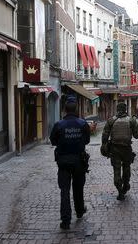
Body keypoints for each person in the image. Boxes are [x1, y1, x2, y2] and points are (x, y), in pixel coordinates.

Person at [50, 96, 91, 230]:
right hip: (79, 161)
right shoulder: (83, 123)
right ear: (76, 108)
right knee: (78, 188)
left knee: (64, 191)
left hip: (63, 162)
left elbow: (53, 141)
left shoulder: (59, 125)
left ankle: (65, 221)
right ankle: (79, 211)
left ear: (65, 109)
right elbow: (87, 141)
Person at [101, 101, 138, 200]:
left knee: (116, 171)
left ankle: (120, 191)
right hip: (127, 149)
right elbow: (137, 136)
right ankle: (125, 185)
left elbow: (105, 136)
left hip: (115, 150)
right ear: (125, 109)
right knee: (126, 169)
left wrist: (104, 147)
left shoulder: (111, 121)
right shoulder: (131, 120)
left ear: (117, 109)